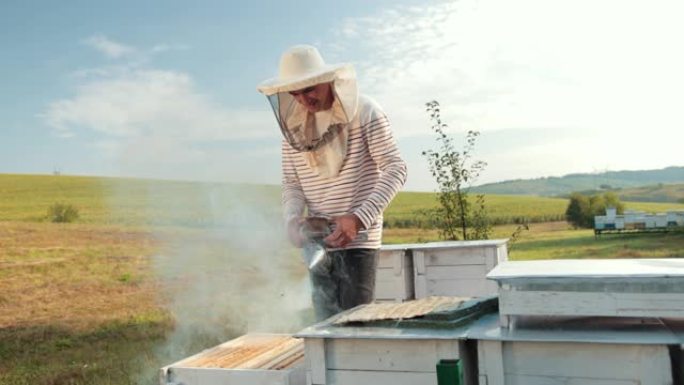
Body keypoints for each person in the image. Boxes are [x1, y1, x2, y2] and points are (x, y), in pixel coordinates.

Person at [257, 45, 407, 321]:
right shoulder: (293, 129)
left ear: (327, 80)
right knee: (326, 328)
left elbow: (396, 169)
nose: (303, 99)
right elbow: (292, 183)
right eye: (295, 93)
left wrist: (359, 219)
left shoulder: (366, 112)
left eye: (309, 89)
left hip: (358, 241)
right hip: (316, 241)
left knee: (356, 328)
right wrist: (291, 218)